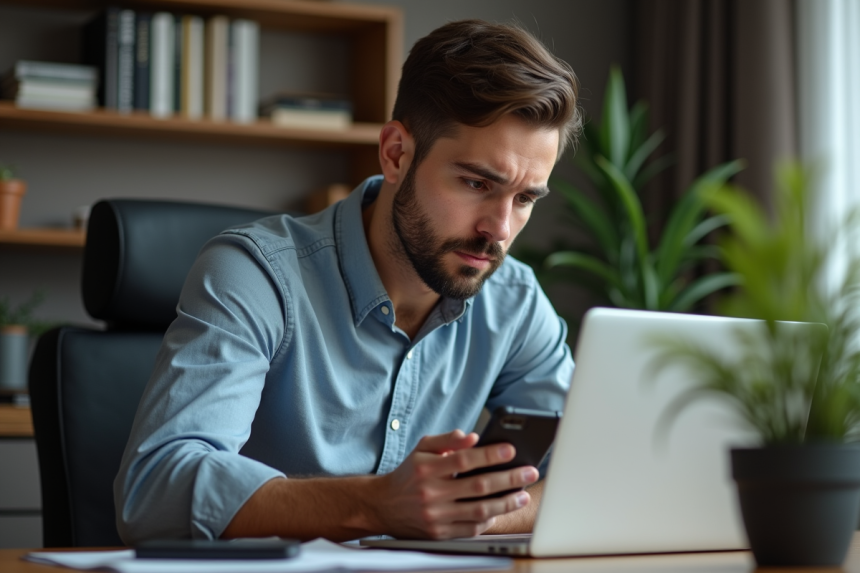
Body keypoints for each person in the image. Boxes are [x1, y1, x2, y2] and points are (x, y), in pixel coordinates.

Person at [115, 19, 581, 544]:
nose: (498, 228)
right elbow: (153, 491)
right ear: (396, 154)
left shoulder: (513, 301)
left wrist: (456, 514)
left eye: (524, 200)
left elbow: (591, 472)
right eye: (477, 183)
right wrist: (379, 506)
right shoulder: (256, 274)